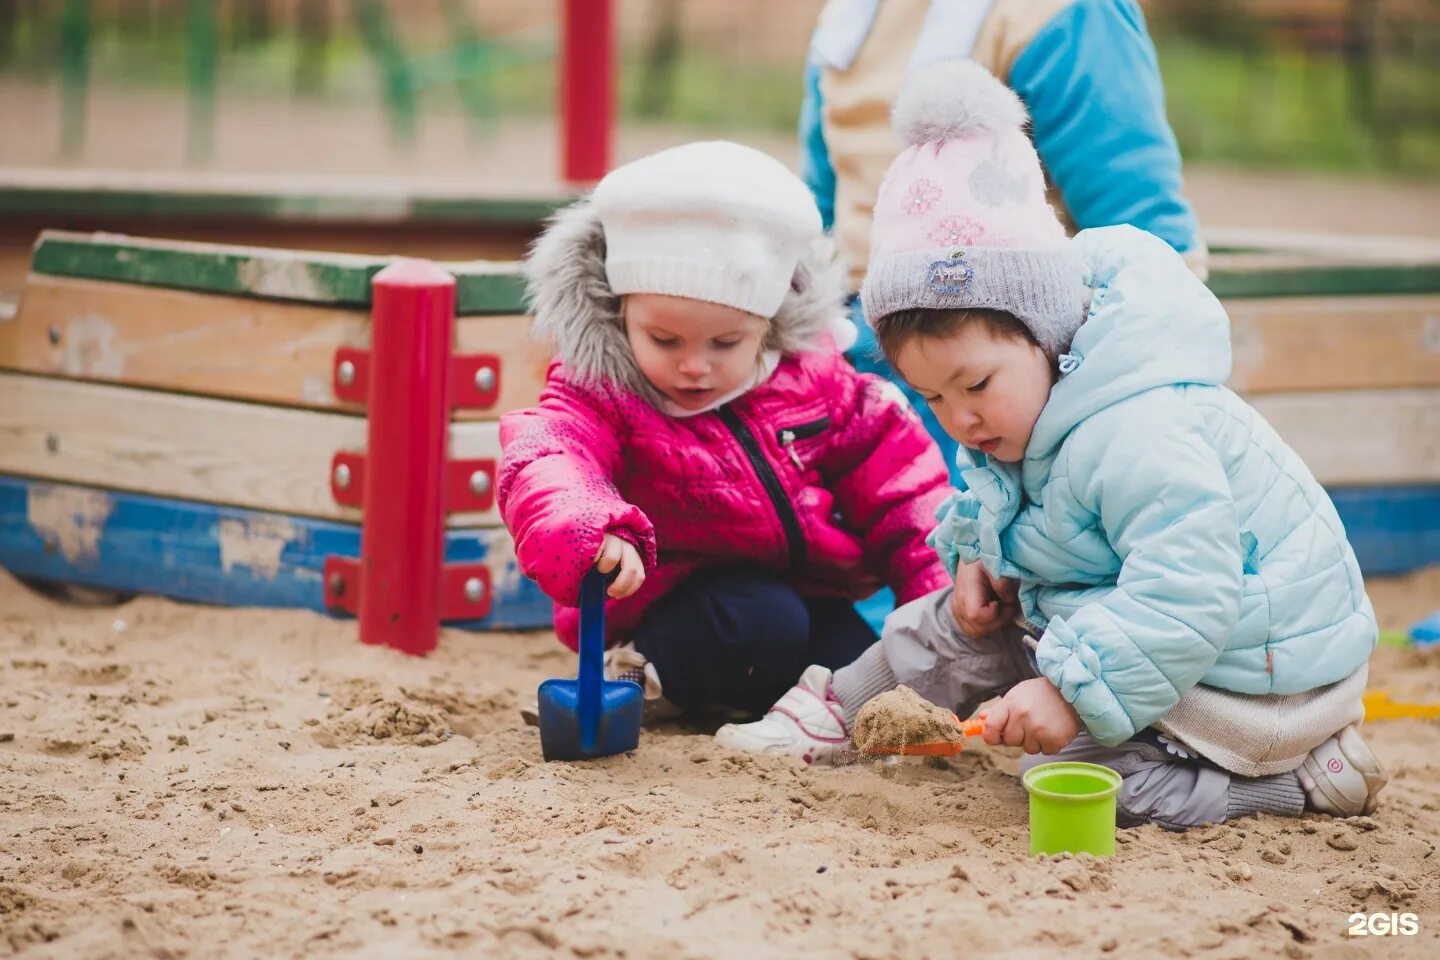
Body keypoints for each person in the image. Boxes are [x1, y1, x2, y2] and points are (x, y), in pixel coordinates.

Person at [717, 61, 1387, 828]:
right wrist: (981, 562)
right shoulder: (1029, 408)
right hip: (1124, 627)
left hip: (1253, 681)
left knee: (1078, 778)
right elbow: (1039, 518)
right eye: (932, 396)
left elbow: (1189, 590)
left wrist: (1069, 692)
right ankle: (838, 708)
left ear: (1047, 335)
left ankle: (1302, 782)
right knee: (957, 622)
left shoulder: (1138, 428)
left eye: (975, 385)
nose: (959, 418)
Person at [498, 141, 951, 723]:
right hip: (673, 605)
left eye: (725, 343)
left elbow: (902, 485)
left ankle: (757, 700)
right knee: (757, 620)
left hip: (802, 590)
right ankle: (640, 671)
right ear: (620, 311)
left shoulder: (814, 379)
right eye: (665, 340)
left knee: (856, 664)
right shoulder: (603, 389)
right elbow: (549, 455)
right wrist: (590, 527)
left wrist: (938, 593)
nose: (694, 365)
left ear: (766, 323)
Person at [802, 0, 1209, 487]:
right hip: (868, 351)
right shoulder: (848, 18)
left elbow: (1145, 234)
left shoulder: (1057, 14)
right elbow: (822, 218)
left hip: (1008, 352)